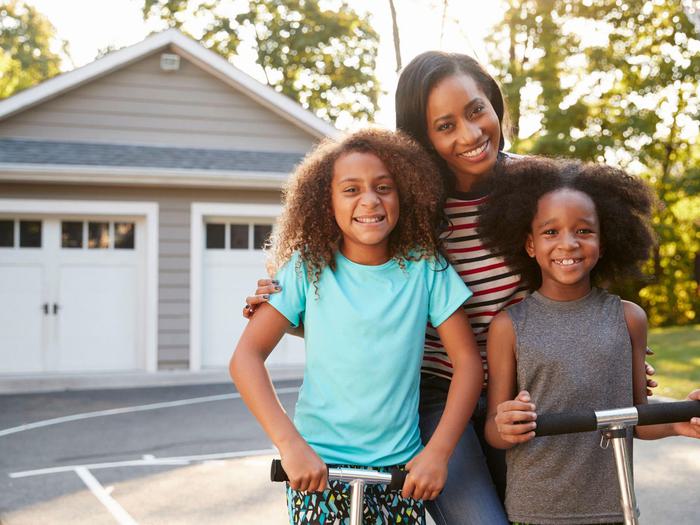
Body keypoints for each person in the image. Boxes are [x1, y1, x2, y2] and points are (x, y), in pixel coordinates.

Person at [243, 51, 658, 524]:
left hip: (531, 391)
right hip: (440, 397)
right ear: (423, 137)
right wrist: (290, 313)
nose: (469, 134)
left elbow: (578, 282)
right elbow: (364, 298)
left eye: (476, 110)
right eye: (444, 126)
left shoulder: (540, 191)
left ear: (494, 103)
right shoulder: (410, 203)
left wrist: (611, 355)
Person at [230, 128, 485, 525]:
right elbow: (246, 358)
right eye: (351, 190)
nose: (370, 200)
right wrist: (290, 445)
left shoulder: (426, 268)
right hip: (319, 469)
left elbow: (467, 364)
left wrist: (438, 452)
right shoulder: (306, 268)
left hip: (401, 473)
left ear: (404, 194)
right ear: (325, 203)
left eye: (383, 187)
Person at [480, 156, 700, 524]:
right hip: (535, 509)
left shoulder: (629, 319)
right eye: (551, 232)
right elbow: (493, 429)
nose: (568, 243)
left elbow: (638, 417)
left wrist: (679, 420)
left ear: (604, 239)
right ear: (530, 245)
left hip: (615, 507)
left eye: (583, 231)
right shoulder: (507, 326)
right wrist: (504, 425)